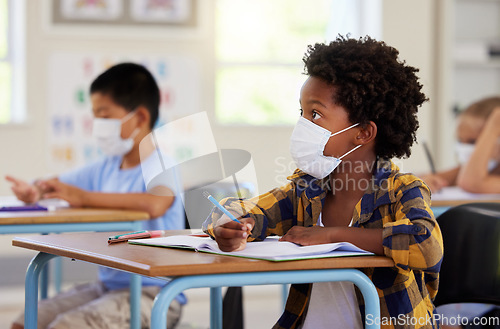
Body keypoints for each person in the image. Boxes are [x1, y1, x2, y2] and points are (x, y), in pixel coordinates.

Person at [203, 36, 444, 329]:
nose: (303, 124)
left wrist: (332, 235)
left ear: (363, 133)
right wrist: (229, 225)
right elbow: (243, 210)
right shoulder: (308, 188)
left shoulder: (401, 190)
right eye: (302, 112)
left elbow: (426, 243)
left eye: (315, 114)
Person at [6, 63, 185, 329]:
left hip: (154, 294)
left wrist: (82, 197)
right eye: (95, 116)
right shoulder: (105, 166)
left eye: (105, 115)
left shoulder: (162, 164)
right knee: (26, 321)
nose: (98, 125)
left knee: (65, 326)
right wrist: (37, 190)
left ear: (140, 117)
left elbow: (155, 203)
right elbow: (60, 184)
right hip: (107, 287)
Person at [421, 96, 500, 193]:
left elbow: (471, 183)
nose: (464, 148)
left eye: (473, 142)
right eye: (460, 140)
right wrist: (424, 182)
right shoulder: (463, 171)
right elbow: (417, 179)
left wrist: (494, 126)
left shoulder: (471, 177)